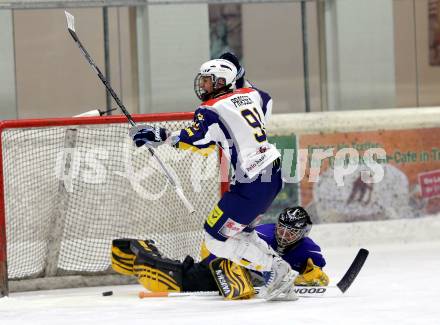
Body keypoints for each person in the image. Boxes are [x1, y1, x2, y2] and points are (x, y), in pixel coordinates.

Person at [128, 57, 296, 300]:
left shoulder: (210, 109)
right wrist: (241, 76)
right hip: (272, 173)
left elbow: (194, 138)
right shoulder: (253, 94)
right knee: (241, 233)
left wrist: (160, 134)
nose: (203, 85)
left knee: (215, 239)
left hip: (252, 181)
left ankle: (277, 271)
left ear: (221, 81)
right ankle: (280, 276)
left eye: (207, 80)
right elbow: (265, 102)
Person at [111, 206, 329, 298]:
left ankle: (133, 252)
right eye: (281, 228)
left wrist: (313, 277)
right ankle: (135, 249)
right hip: (218, 262)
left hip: (236, 276)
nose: (283, 235)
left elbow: (319, 277)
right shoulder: (263, 234)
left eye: (291, 232)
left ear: (304, 232)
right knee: (161, 280)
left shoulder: (309, 249)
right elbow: (226, 243)